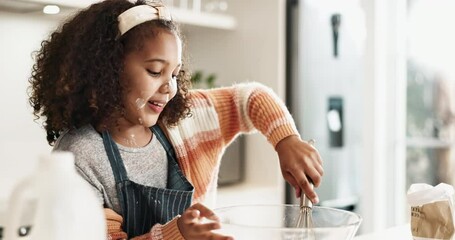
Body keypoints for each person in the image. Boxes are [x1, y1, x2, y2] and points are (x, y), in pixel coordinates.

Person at [27, 0, 324, 239]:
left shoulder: (184, 120)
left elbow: (250, 98)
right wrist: (176, 233)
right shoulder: (81, 156)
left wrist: (287, 140)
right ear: (105, 70)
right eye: (155, 71)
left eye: (174, 73)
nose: (169, 87)